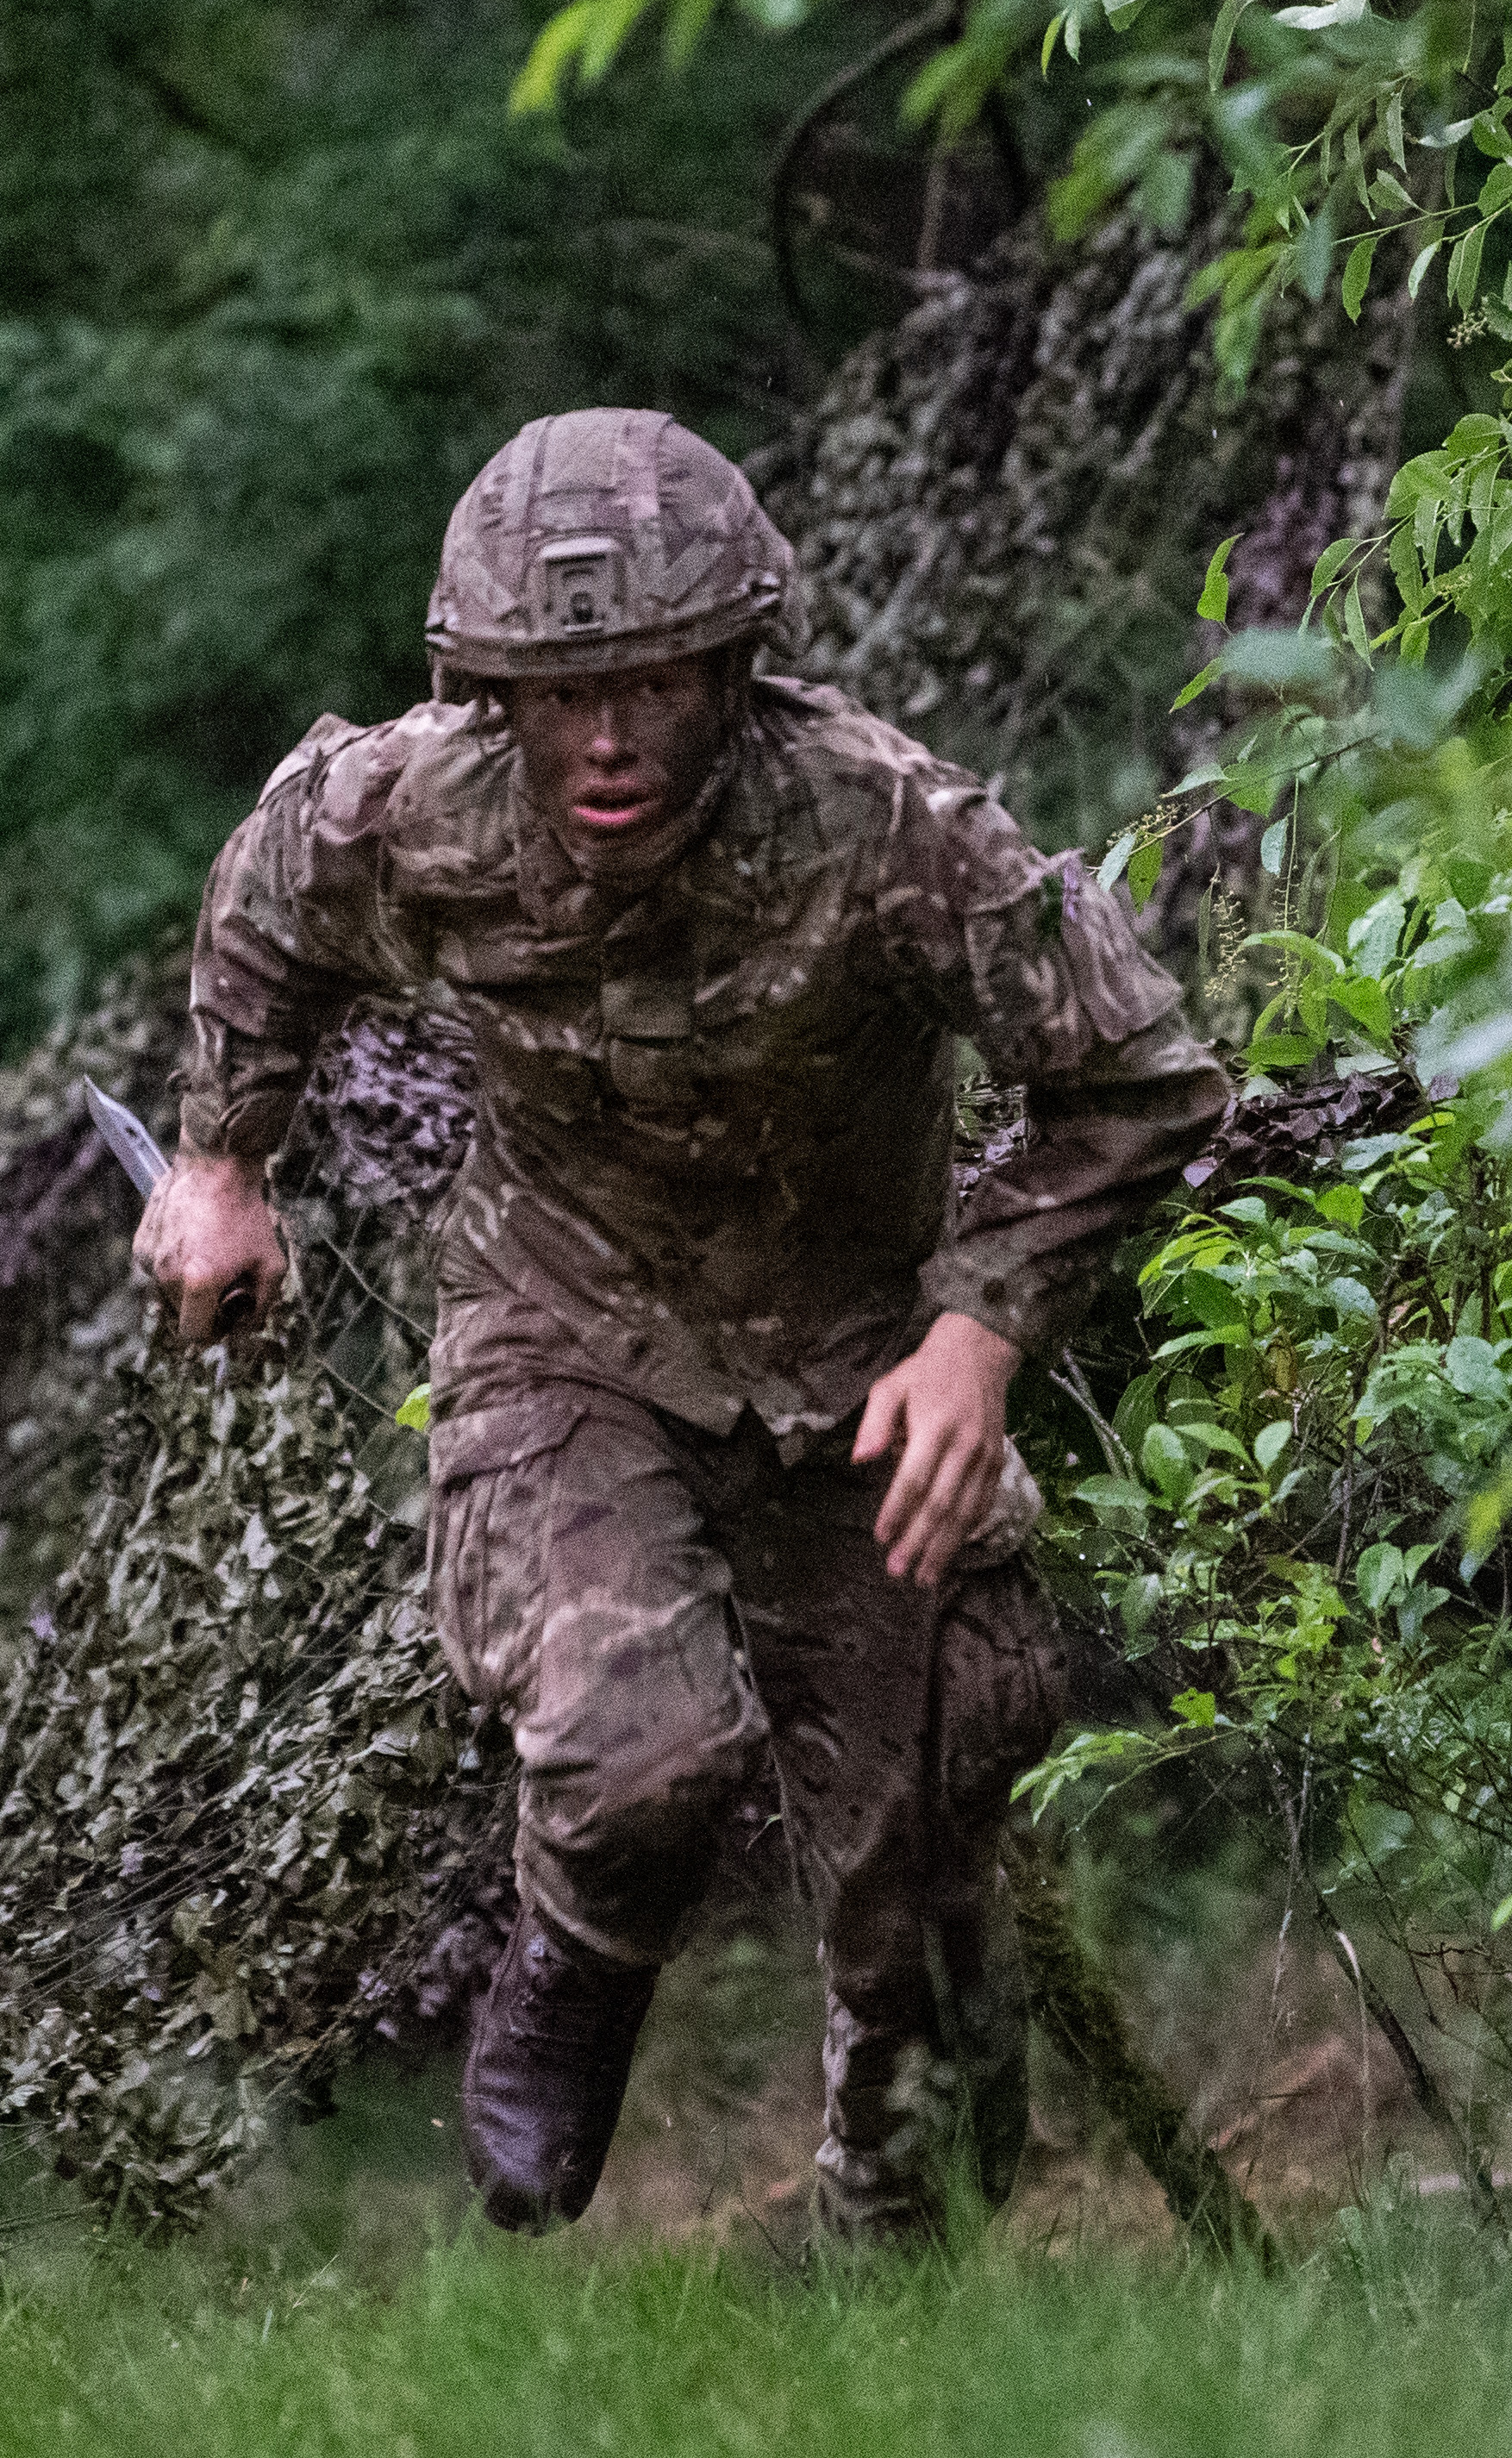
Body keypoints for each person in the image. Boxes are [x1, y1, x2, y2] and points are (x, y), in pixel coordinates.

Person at [135, 408, 1227, 2241]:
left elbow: (1140, 1083)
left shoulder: (887, 825)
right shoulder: (420, 808)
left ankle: (876, 2324)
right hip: (563, 1334)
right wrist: (222, 1163)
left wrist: (979, 1331)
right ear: (493, 693)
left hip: (860, 1372)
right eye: (559, 693)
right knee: (642, 1751)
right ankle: (568, 1979)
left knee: (942, 2002)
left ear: (734, 669)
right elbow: (273, 892)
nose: (610, 737)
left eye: (652, 681)